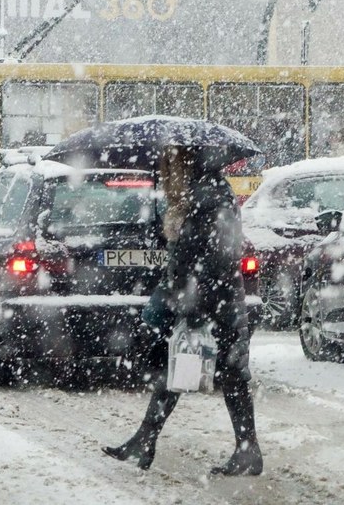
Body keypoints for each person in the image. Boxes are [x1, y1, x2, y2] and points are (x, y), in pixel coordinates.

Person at [102, 143, 263, 476]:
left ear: (185, 162)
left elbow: (213, 255)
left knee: (221, 372)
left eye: (169, 163)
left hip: (212, 301)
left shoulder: (209, 196)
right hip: (210, 298)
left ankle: (246, 452)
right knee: (183, 367)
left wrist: (194, 302)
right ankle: (147, 441)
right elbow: (196, 253)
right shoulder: (203, 193)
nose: (165, 170)